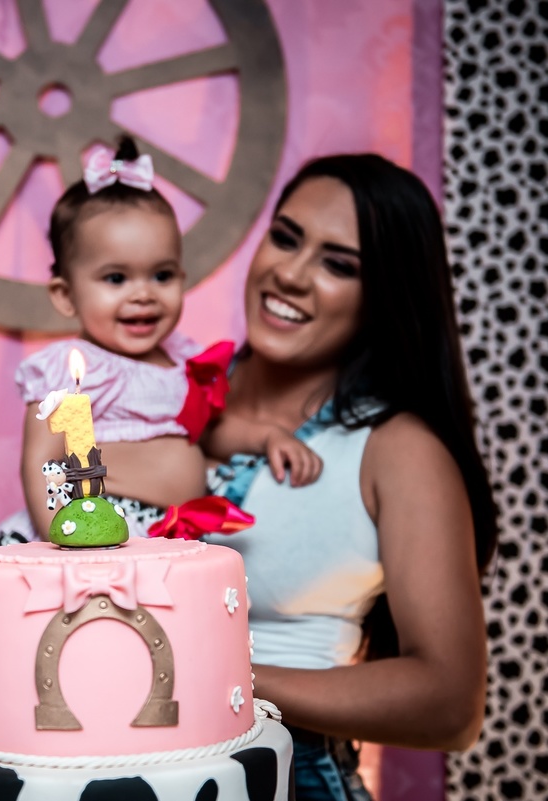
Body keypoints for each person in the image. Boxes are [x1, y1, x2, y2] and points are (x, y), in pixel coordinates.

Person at [203, 154, 498, 801]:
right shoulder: (170, 390)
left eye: (339, 265)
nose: (290, 273)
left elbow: (451, 703)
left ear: (384, 295)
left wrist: (214, 679)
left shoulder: (398, 451)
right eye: (286, 237)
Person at [0, 137, 320, 548]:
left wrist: (265, 437)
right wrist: (63, 539)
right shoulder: (71, 369)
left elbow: (210, 432)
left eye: (161, 275)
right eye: (116, 278)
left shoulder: (183, 361)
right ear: (66, 295)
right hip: (101, 526)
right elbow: (42, 462)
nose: (144, 294)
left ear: (182, 277)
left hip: (168, 534)